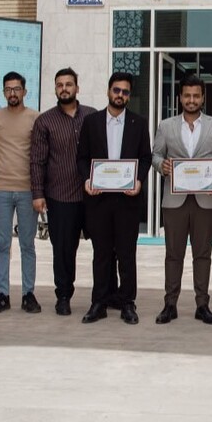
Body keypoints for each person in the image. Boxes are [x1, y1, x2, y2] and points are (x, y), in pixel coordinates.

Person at [151, 75, 212, 325]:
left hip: (206, 199)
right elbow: (155, 155)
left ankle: (202, 305)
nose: (192, 100)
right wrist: (161, 166)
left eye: (196, 95)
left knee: (202, 254)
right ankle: (170, 304)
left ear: (203, 98)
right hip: (174, 199)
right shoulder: (166, 126)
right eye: (187, 95)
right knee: (173, 254)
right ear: (180, 98)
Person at [78, 72, 152, 325]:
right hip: (98, 199)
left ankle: (127, 302)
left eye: (125, 92)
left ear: (129, 96)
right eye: (116, 90)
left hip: (127, 201)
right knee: (101, 254)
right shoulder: (91, 122)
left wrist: (138, 180)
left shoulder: (139, 123)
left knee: (126, 254)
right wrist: (87, 180)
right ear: (108, 91)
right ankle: (99, 302)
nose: (120, 95)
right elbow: (82, 158)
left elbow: (145, 158)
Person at [30, 68, 96, 316]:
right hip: (61, 197)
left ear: (77, 88)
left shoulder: (92, 116)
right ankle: (64, 296)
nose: (65, 88)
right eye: (60, 85)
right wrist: (38, 193)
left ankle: (106, 295)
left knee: (104, 248)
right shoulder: (45, 121)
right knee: (64, 251)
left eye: (69, 84)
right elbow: (37, 160)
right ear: (55, 89)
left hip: (93, 196)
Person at [0, 72, 40, 314]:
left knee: (27, 245)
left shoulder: (35, 118)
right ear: (4, 92)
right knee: (2, 244)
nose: (12, 93)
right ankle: (2, 295)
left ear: (25, 91)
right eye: (8, 89)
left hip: (28, 191)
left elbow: (40, 154)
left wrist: (40, 191)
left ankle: (28, 294)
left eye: (16, 89)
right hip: (1, 190)